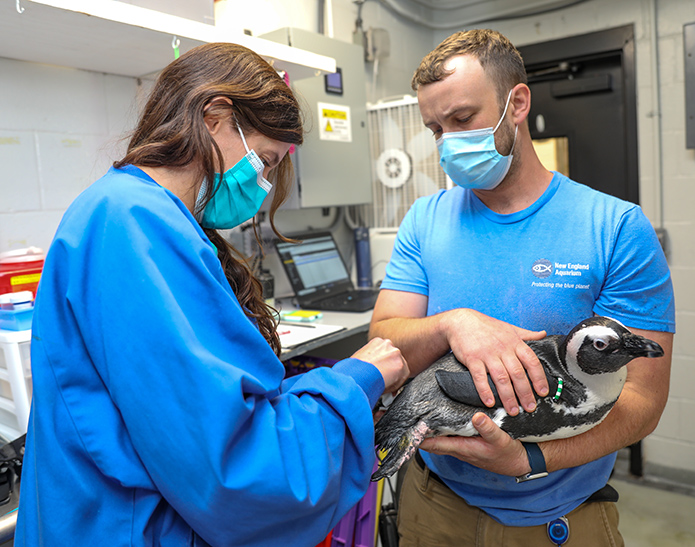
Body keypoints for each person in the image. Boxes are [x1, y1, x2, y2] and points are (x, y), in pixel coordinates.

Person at [16, 43, 409, 547]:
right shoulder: (134, 223)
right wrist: (358, 379)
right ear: (216, 117)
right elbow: (235, 463)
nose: (262, 183)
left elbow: (205, 404)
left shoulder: (140, 214)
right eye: (264, 160)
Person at [370, 29, 674, 546]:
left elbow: (643, 399)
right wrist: (453, 324)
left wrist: (530, 458)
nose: (448, 142)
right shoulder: (425, 219)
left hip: (557, 514)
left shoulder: (615, 227)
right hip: (434, 503)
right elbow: (385, 342)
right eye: (435, 129)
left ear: (518, 103)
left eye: (462, 119)